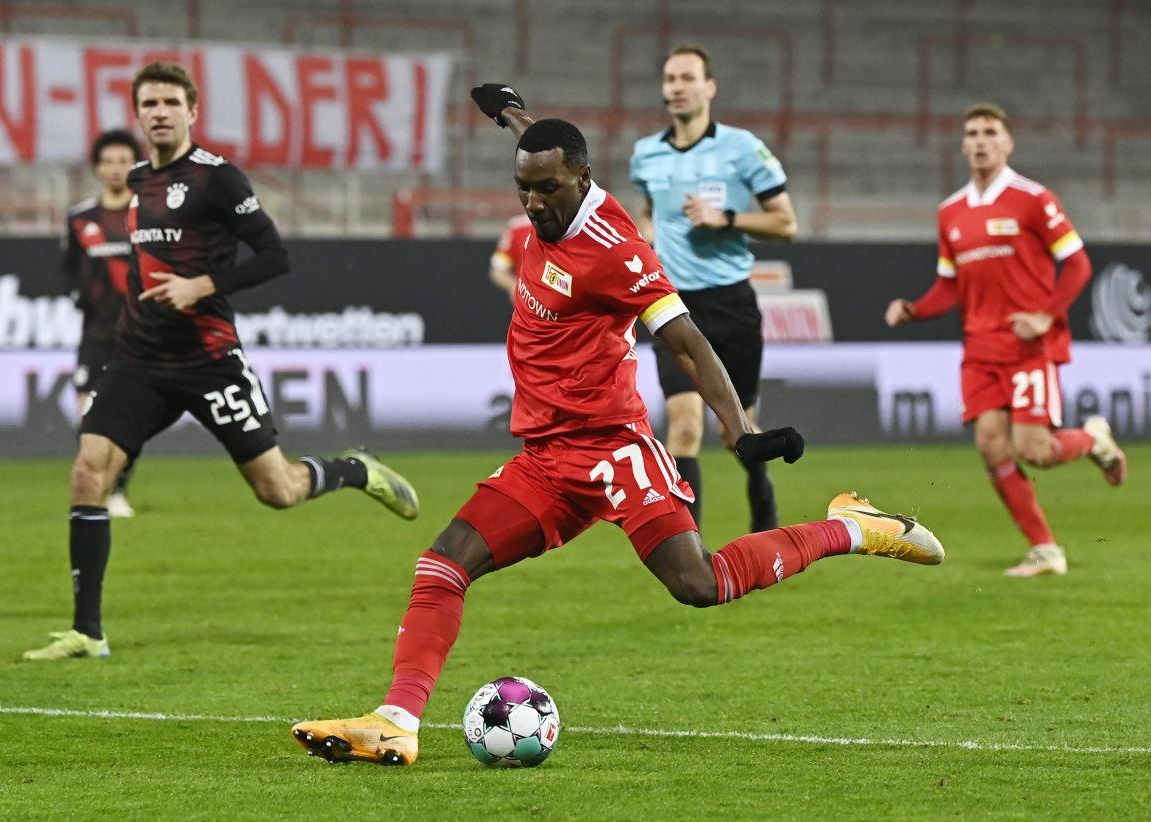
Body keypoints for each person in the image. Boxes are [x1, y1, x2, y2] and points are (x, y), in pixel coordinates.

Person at [289, 86, 943, 767]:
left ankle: (852, 527)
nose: (535, 204)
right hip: (544, 458)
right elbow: (538, 139)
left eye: (547, 190)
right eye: (523, 189)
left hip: (612, 449)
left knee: (700, 585)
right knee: (444, 562)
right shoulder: (551, 181)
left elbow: (687, 340)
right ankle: (397, 720)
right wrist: (511, 110)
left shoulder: (617, 252)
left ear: (583, 180)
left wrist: (740, 427)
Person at [22, 62, 419, 662]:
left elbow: (274, 255)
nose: (159, 111)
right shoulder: (135, 181)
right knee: (88, 470)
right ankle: (88, 632)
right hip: (139, 359)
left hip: (210, 361)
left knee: (278, 490)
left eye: (170, 102)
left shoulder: (218, 180)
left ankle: (356, 470)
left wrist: (201, 284)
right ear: (138, 113)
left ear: (191, 112)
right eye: (149, 102)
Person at [885, 102, 1127, 578]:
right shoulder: (950, 212)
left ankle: (1095, 440)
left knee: (1035, 450)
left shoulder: (1033, 198)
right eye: (971, 132)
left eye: (990, 132)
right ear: (963, 144)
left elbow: (1077, 264)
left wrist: (1046, 315)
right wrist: (914, 309)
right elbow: (949, 286)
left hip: (1027, 348)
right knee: (992, 447)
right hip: (979, 350)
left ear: (1008, 142)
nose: (979, 141)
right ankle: (1044, 549)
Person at [630, 44, 797, 534]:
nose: (676, 87)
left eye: (686, 78)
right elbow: (647, 211)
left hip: (731, 302)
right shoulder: (646, 153)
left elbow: (786, 223)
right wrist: (646, 237)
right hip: (672, 305)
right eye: (669, 79)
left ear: (709, 87)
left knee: (736, 432)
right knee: (683, 427)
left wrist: (725, 219)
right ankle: (691, 550)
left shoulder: (742, 148)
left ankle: (763, 501)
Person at [61, 129, 144, 518]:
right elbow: (68, 270)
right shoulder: (80, 219)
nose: (115, 169)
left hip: (141, 334)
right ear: (97, 167)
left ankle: (117, 491)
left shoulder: (149, 216)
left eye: (123, 161)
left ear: (136, 165)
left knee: (131, 416)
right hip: (95, 335)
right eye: (108, 162)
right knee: (88, 415)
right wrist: (78, 295)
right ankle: (95, 485)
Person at [488, 213, 533, 301]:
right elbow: (498, 270)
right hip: (529, 304)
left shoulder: (566, 227)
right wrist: (513, 286)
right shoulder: (518, 227)